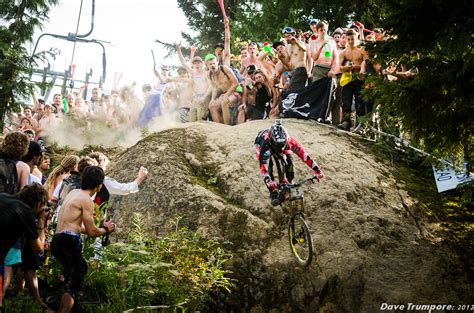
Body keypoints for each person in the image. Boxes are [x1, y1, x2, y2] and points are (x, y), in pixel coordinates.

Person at [51, 166, 115, 313]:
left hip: (58, 239)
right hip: (69, 241)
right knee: (75, 284)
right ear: (99, 186)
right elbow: (92, 232)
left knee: (74, 274)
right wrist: (106, 229)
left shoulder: (74, 193)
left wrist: (101, 228)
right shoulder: (87, 200)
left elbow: (76, 226)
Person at [0, 183, 49, 310]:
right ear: (38, 204)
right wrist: (41, 223)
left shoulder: (3, 196)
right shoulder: (26, 212)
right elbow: (38, 248)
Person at [255, 121, 324, 206]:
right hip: (261, 143)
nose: (280, 149)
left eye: (283, 145)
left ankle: (289, 182)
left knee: (289, 161)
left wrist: (317, 170)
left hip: (280, 145)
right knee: (268, 165)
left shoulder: (290, 142)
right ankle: (273, 193)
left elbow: (305, 156)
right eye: (278, 146)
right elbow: (262, 168)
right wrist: (269, 181)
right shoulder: (265, 146)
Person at [206, 54, 241, 125]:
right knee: (212, 106)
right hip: (224, 94)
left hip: (235, 92)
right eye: (210, 64)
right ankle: (219, 127)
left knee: (224, 102)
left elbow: (236, 83)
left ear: (217, 62)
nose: (212, 65)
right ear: (207, 65)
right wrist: (212, 99)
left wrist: (227, 94)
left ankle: (226, 127)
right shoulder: (209, 74)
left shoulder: (224, 69)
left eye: (214, 63)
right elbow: (214, 88)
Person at [282, 27, 309, 94]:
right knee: (294, 92)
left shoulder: (300, 43)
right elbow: (287, 62)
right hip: (293, 72)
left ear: (293, 35)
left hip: (301, 70)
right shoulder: (287, 47)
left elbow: (304, 49)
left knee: (293, 91)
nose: (287, 38)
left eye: (288, 36)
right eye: (285, 37)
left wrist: (296, 42)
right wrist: (280, 57)